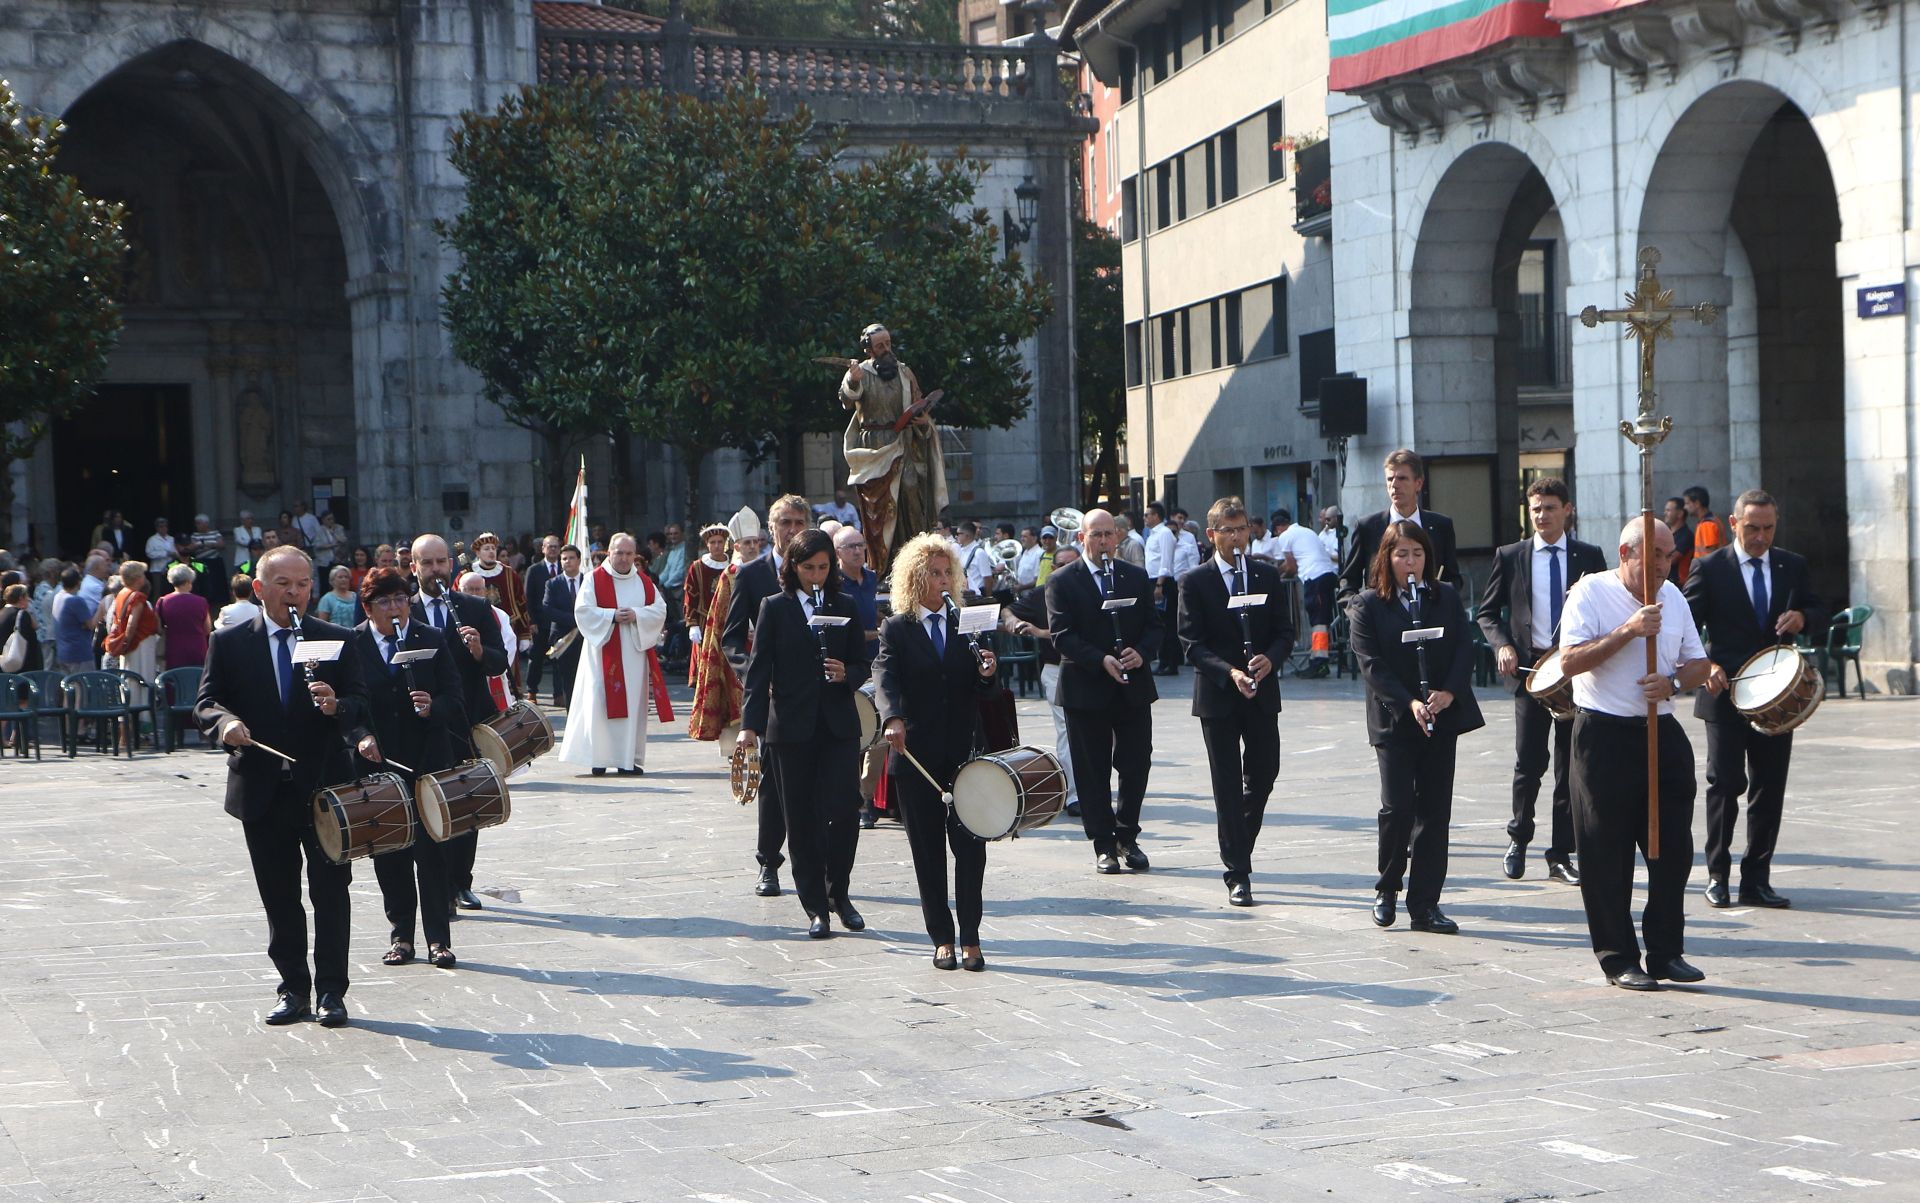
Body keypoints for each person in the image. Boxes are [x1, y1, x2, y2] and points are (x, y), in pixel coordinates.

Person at [194, 545, 371, 1028]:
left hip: (325, 790)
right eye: (283, 585)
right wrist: (225, 723)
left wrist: (339, 707)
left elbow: (361, 702)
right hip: (263, 788)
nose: (294, 594)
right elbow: (206, 702)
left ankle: (333, 991)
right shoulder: (229, 642)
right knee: (279, 894)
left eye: (302, 585)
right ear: (259, 588)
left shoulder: (334, 638)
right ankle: (293, 988)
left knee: (332, 892)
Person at [1560, 518, 1714, 990]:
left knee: (1672, 850)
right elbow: (1568, 662)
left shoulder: (1675, 597)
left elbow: (1700, 664)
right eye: (1654, 557)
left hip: (1660, 728)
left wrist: (1672, 682)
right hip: (1604, 734)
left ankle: (1667, 952)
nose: (1663, 566)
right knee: (1606, 853)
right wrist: (1628, 630)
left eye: (1668, 556)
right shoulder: (1590, 593)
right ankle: (1618, 957)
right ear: (1625, 554)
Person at [1684, 488, 1824, 911]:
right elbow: (1685, 626)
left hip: (1777, 698)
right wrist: (1706, 666)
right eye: (1752, 528)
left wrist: (1803, 617)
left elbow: (1819, 608)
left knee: (1769, 788)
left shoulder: (1791, 565)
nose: (1761, 537)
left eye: (1768, 528)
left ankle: (1757, 880)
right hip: (1724, 694)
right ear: (1733, 523)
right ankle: (1717, 876)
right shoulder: (1708, 568)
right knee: (1724, 785)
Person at [1348, 521, 1484, 934]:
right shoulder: (1368, 604)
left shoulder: (1444, 597)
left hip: (1439, 715)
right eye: (1401, 554)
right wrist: (1408, 702)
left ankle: (1425, 904)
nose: (1411, 562)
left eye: (1418, 554)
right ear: (1386, 559)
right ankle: (1387, 886)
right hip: (1395, 719)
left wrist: (1449, 693)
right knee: (1398, 808)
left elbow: (1464, 646)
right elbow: (1370, 664)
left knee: (1435, 811)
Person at [736, 529, 871, 938]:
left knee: (844, 811)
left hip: (837, 725)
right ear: (793, 567)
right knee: (801, 819)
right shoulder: (774, 607)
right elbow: (758, 672)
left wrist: (848, 673)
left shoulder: (844, 604)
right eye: (809, 567)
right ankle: (815, 907)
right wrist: (748, 728)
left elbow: (864, 662)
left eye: (823, 567)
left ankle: (840, 894)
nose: (816, 574)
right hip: (790, 728)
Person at [874, 532, 999, 970]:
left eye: (948, 572)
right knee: (926, 850)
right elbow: (885, 678)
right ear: (914, 578)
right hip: (916, 755)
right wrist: (892, 719)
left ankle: (971, 936)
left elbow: (986, 686)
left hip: (965, 752)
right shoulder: (897, 627)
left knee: (971, 847)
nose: (943, 580)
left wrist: (987, 671)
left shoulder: (967, 621)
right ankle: (940, 936)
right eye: (934, 573)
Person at [1477, 477, 1607, 885]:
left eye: (1549, 507)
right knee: (1528, 762)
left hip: (1574, 671)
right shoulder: (1511, 555)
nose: (1541, 516)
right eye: (1535, 509)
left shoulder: (1589, 556)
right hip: (1529, 673)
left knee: (1571, 767)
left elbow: (1606, 610)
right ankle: (1519, 837)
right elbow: (1487, 612)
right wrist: (1502, 645)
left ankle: (1561, 853)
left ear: (1567, 510)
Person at [1177, 498, 1297, 907]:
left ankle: (1238, 840)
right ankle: (1238, 872)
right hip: (1219, 695)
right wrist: (1230, 672)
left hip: (1262, 691)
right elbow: (1191, 643)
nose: (1236, 537)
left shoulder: (1265, 574)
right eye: (1227, 530)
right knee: (1226, 784)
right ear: (1212, 535)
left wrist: (1271, 659)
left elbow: (1284, 631)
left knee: (1265, 773)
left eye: (1241, 528)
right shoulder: (1194, 581)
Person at [351, 566, 463, 970]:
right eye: (385, 601)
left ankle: (439, 939)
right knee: (390, 853)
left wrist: (434, 707)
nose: (395, 607)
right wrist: (361, 735)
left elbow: (455, 695)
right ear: (367, 607)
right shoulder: (353, 643)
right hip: (379, 766)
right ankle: (401, 935)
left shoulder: (430, 638)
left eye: (401, 598)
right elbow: (348, 705)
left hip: (426, 762)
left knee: (432, 852)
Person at [1047, 508, 1163, 875]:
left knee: (1136, 762)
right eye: (1095, 535)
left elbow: (1154, 626)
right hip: (1086, 686)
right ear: (1082, 538)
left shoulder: (1135, 576)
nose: (1103, 542)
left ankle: (1128, 835)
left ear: (1118, 537)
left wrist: (1141, 653)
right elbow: (1062, 635)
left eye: (1109, 534)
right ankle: (1103, 843)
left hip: (1132, 686)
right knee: (1091, 769)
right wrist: (1100, 660)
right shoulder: (1062, 581)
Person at [411, 534, 507, 914]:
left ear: (451, 564)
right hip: (420, 722)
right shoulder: (402, 609)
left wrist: (481, 650)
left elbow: (499, 663)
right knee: (427, 805)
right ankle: (434, 885)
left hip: (468, 720)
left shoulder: (476, 607)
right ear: (414, 566)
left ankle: (459, 883)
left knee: (469, 803)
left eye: (441, 562)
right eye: (427, 563)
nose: (435, 570)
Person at [723, 495, 811, 896]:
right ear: (770, 529)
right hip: (774, 694)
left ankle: (816, 864)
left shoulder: (817, 569)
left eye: (799, 523)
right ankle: (768, 863)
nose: (792, 530)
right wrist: (757, 675)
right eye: (785, 523)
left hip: (813, 690)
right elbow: (732, 639)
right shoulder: (752, 574)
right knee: (773, 785)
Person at [840, 324, 948, 574]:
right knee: (878, 515)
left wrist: (923, 422)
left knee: (911, 494)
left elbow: (920, 405)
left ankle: (915, 565)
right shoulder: (859, 372)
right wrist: (852, 381)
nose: (886, 349)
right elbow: (847, 399)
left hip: (904, 445)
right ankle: (883, 569)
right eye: (880, 346)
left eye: (888, 343)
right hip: (874, 449)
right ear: (869, 349)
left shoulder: (904, 373)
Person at [559, 532, 669, 777]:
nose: (624, 558)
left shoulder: (643, 581)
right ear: (609, 552)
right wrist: (611, 616)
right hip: (602, 653)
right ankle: (599, 758)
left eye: (629, 553)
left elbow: (659, 610)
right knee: (599, 703)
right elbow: (583, 611)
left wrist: (637, 615)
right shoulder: (593, 579)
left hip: (633, 655)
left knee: (631, 704)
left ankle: (627, 759)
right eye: (619, 553)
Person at [1007, 545, 1080, 818]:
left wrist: (1041, 631)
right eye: (1060, 564)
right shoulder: (1042, 593)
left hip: (1091, 668)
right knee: (1068, 730)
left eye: (1071, 564)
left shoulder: (1089, 590)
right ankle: (1073, 795)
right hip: (1057, 668)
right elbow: (1008, 610)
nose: (1065, 569)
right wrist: (1015, 621)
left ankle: (1087, 788)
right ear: (1052, 568)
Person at [1340, 449, 1461, 595]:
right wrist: (1360, 611)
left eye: (1402, 478)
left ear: (1419, 483)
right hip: (1381, 614)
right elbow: (1348, 581)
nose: (1395, 485)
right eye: (1390, 479)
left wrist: (1443, 605)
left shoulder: (1441, 526)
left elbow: (1453, 578)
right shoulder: (1368, 527)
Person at [688, 511, 761, 744]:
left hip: (762, 641)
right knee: (737, 697)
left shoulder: (766, 569)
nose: (752, 547)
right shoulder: (730, 574)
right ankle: (736, 748)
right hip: (739, 643)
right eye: (747, 543)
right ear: (737, 546)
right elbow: (721, 614)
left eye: (755, 542)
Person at [1263, 509, 1338, 678]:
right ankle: (1318, 657)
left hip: (1314, 577)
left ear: (1278, 528)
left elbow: (1291, 566)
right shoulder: (1306, 531)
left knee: (1318, 622)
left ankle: (1319, 661)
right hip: (1327, 574)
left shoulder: (1285, 536)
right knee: (1323, 621)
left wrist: (1276, 575)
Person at [459, 532, 533, 688]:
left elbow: (521, 603)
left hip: (505, 627)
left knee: (507, 669)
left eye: (493, 548)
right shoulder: (466, 574)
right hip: (475, 627)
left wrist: (524, 633)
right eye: (486, 548)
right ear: (477, 552)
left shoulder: (509, 573)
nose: (491, 551)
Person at [102, 560, 159, 743]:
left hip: (133, 648)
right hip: (139, 647)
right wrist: (126, 641)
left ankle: (126, 734)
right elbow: (132, 623)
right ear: (136, 578)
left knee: (129, 685)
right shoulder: (137, 597)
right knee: (138, 686)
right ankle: (131, 734)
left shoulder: (121, 594)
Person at [460, 573, 517, 713]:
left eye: (478, 589)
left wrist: (490, 662)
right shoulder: (453, 613)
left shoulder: (499, 615)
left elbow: (508, 644)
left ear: (485, 591)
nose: (474, 593)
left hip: (493, 675)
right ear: (459, 590)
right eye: (468, 589)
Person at [682, 524, 731, 683]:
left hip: (729, 620)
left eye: (720, 542)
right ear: (707, 544)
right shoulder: (697, 567)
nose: (717, 546)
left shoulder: (733, 565)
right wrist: (693, 624)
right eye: (713, 542)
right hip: (705, 622)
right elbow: (690, 596)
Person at [539, 544, 586, 708]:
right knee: (568, 680)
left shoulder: (588, 581)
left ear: (579, 560)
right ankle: (572, 714)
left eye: (572, 558)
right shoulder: (552, 584)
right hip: (563, 639)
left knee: (588, 679)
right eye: (564, 558)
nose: (568, 561)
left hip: (587, 638)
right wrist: (575, 620)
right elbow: (547, 609)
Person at [523, 535, 563, 704]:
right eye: (549, 546)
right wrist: (531, 622)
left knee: (559, 660)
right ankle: (532, 692)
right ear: (543, 549)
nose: (553, 549)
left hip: (560, 623)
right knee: (536, 659)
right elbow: (528, 598)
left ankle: (559, 695)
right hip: (540, 623)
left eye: (556, 546)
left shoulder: (565, 568)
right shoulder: (534, 570)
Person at [1142, 503, 1179, 674]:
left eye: (1147, 514)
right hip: (1151, 580)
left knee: (1167, 624)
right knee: (1158, 622)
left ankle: (1170, 663)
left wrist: (1159, 584)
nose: (1145, 518)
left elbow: (1165, 561)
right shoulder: (1152, 534)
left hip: (1162, 581)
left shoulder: (1164, 533)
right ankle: (1163, 660)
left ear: (1156, 516)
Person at [154, 563, 212, 672]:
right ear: (188, 581)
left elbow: (158, 629)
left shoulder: (162, 601)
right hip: (198, 647)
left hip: (174, 647)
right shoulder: (201, 601)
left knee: (174, 680)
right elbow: (207, 628)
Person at [51, 567, 99, 674]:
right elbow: (90, 625)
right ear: (78, 583)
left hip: (63, 652)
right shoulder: (76, 600)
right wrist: (101, 609)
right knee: (84, 688)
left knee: (69, 688)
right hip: (79, 654)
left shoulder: (58, 596)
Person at [658, 523, 690, 664]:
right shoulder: (672, 551)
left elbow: (679, 572)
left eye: (675, 533)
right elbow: (667, 570)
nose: (672, 537)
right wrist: (659, 582)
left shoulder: (684, 549)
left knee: (682, 623)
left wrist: (666, 584)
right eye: (670, 534)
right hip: (669, 590)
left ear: (682, 534)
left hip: (678, 590)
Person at [1682, 486, 1728, 579]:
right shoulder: (1708, 521)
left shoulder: (1707, 524)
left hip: (1709, 574)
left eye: (1687, 503)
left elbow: (1710, 555)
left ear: (1697, 503)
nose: (1685, 507)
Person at [0, 583, 42, 674]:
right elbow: (31, 637)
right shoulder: (22, 615)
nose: (28, 599)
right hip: (22, 666)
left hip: (5, 663)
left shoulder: (2, 613)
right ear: (21, 598)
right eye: (27, 596)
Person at [187, 515, 226, 603]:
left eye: (199, 523)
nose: (197, 525)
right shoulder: (194, 535)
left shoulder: (216, 533)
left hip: (215, 561)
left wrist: (203, 544)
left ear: (206, 524)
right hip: (200, 562)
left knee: (216, 581)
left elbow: (222, 545)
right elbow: (191, 547)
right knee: (203, 581)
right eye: (197, 524)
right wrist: (210, 544)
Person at [1662, 497, 1694, 584]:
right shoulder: (1668, 533)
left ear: (1680, 513)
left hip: (1679, 583)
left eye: (1668, 510)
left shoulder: (1686, 535)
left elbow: (1672, 559)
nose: (1665, 513)